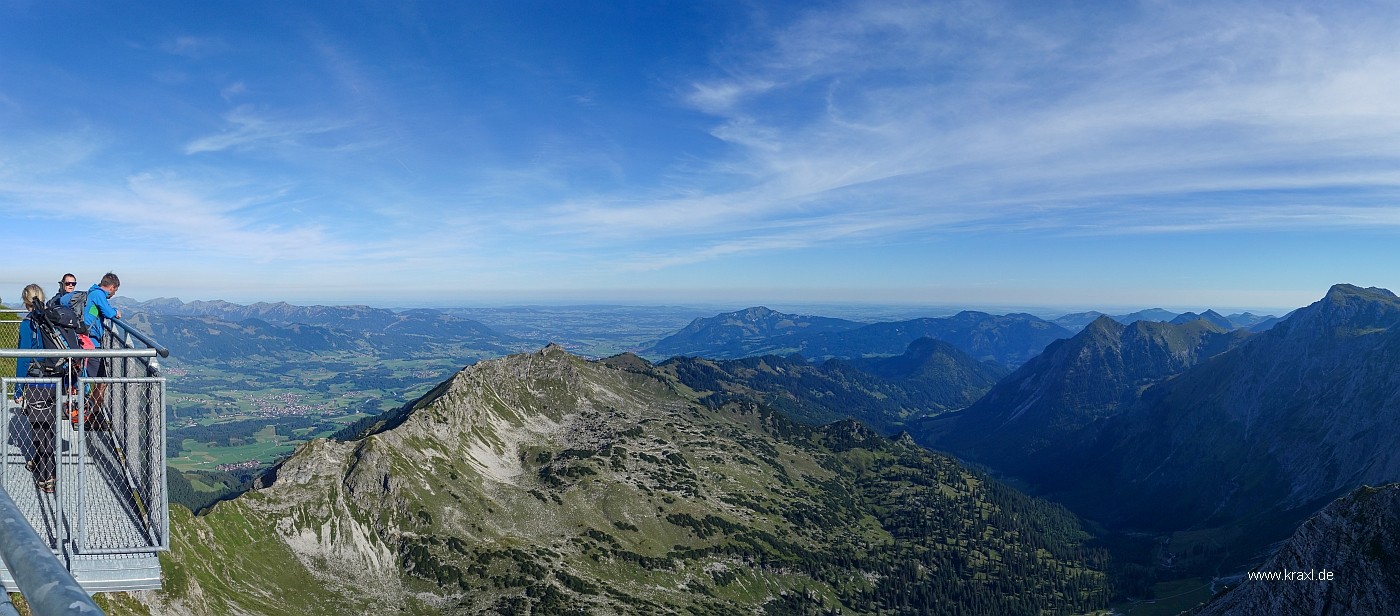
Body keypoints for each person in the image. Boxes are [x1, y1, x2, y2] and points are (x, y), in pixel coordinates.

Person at [15, 284, 59, 494]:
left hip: (36, 381)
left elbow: (23, 360)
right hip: (55, 379)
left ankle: (46, 477)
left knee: (38, 430)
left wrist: (17, 388)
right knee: (48, 427)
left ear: (25, 301)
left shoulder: (28, 323)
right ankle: (46, 466)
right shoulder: (51, 319)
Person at [82, 272, 122, 413]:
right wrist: (116, 311)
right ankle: (91, 414)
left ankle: (87, 410)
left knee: (88, 378)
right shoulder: (98, 295)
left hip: (85, 340)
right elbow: (108, 312)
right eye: (115, 290)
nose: (114, 294)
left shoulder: (92, 292)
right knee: (102, 380)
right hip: (91, 342)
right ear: (111, 287)